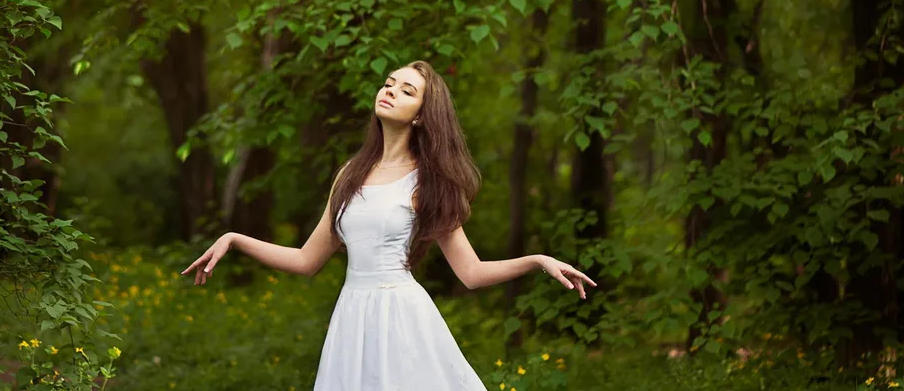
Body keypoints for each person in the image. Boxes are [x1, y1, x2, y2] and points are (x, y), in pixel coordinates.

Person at [180, 59, 597, 390]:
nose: (390, 91)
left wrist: (538, 259)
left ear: (421, 115)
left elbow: (471, 273)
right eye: (389, 83)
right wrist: (234, 239)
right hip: (352, 320)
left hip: (401, 319)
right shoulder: (349, 174)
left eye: (406, 90)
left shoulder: (429, 183)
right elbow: (306, 260)